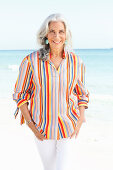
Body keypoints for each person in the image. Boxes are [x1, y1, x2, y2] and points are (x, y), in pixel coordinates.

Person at [12, 13, 89, 170]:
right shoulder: (30, 61)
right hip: (42, 128)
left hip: (69, 126)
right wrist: (31, 125)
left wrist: (80, 118)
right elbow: (20, 95)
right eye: (52, 31)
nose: (57, 36)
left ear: (66, 35)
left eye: (61, 31)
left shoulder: (76, 62)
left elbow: (82, 93)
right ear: (45, 34)